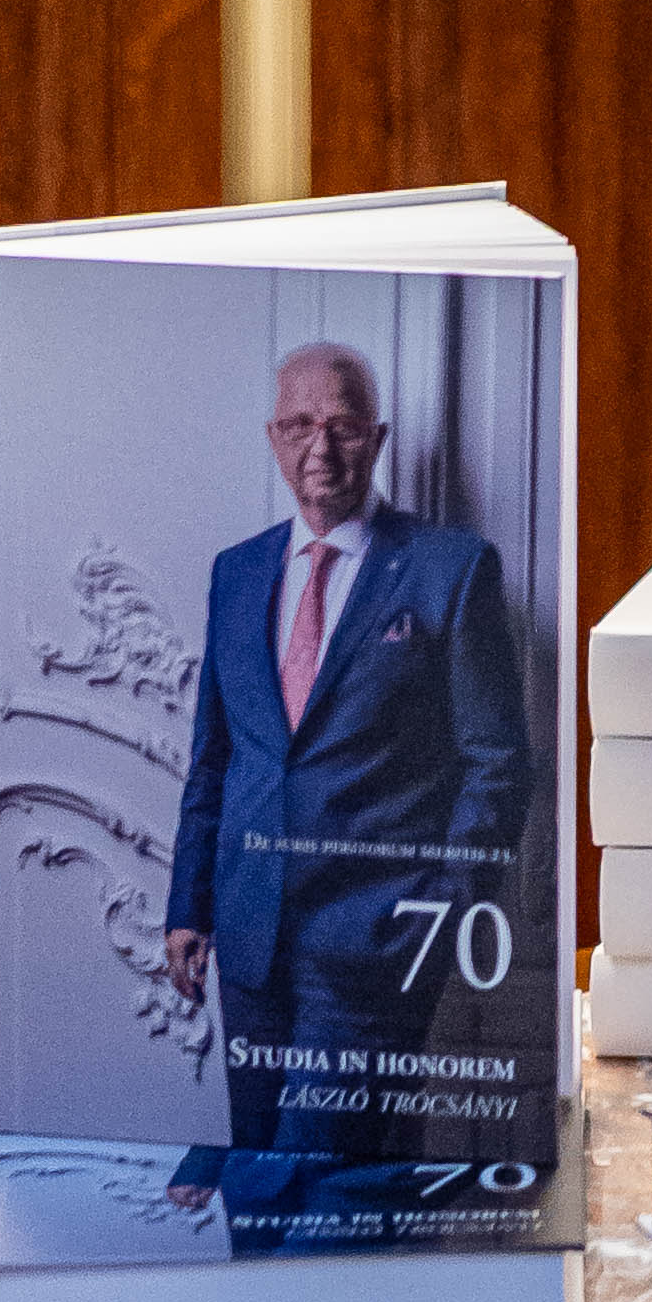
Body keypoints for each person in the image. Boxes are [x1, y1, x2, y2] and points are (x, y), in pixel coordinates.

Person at [162, 340, 540, 1163]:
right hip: (250, 937)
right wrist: (189, 904)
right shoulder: (237, 572)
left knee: (328, 1180)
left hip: (376, 947)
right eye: (299, 424)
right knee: (259, 1171)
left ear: (378, 437)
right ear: (273, 438)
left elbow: (499, 762)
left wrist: (439, 906)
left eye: (342, 424)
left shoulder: (451, 569)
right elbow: (216, 755)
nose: (321, 446)